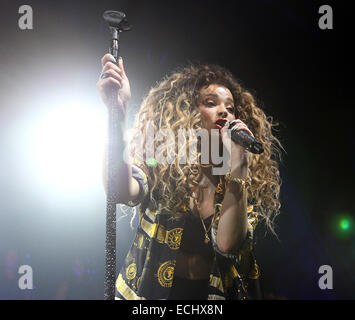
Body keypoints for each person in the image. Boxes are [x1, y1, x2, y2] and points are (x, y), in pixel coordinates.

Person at [97, 53, 282, 300]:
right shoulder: (161, 161)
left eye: (230, 107)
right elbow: (119, 189)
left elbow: (229, 246)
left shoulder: (241, 177)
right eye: (210, 102)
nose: (224, 112)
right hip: (152, 293)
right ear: (188, 111)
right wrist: (116, 113)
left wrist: (239, 164)